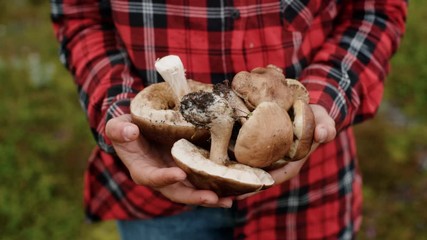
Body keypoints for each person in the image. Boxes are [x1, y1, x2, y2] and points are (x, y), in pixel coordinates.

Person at [51, 1, 407, 239]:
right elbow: (79, 15)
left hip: (308, 190)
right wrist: (121, 114)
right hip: (157, 195)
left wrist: (321, 104)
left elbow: (375, 11)